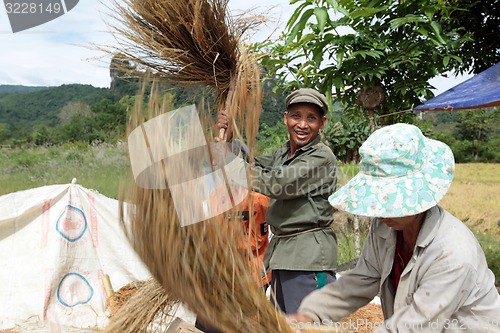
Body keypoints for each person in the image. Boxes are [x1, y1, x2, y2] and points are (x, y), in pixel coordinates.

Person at [288, 123, 500, 332]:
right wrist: (310, 313)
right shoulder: (385, 226)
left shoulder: (452, 255)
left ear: (419, 194)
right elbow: (363, 279)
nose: (380, 212)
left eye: (387, 201)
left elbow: (412, 326)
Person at [216, 88, 338, 314]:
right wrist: (230, 138)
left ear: (322, 123)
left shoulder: (320, 157)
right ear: (285, 118)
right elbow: (255, 164)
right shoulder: (284, 152)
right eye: (296, 116)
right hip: (282, 256)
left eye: (311, 118)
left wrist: (229, 164)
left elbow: (276, 184)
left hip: (308, 258)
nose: (302, 124)